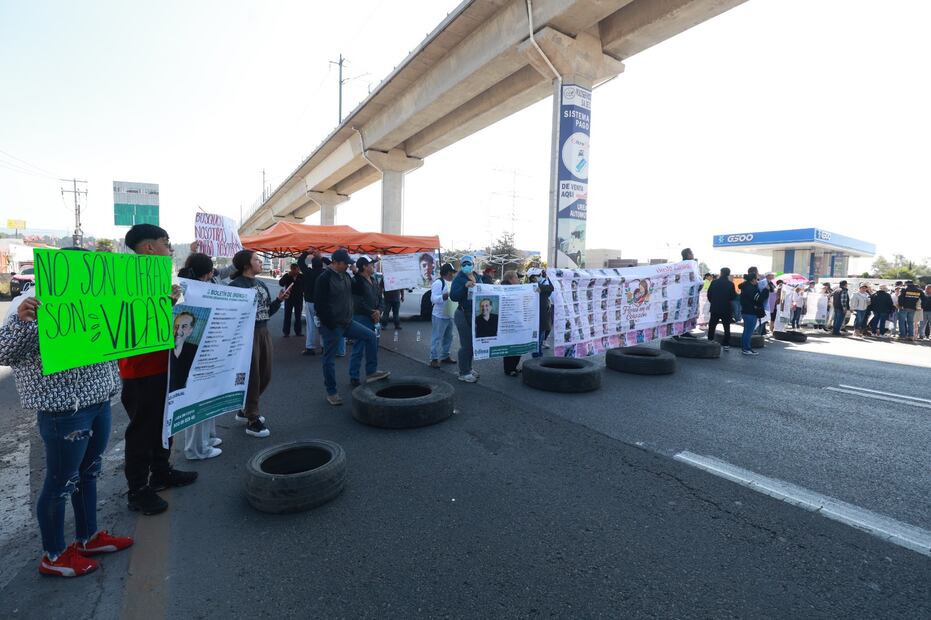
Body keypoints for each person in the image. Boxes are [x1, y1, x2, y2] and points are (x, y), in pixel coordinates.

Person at [0, 249, 134, 578]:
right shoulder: (30, 304)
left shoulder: (99, 298)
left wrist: (159, 306)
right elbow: (4, 352)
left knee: (89, 473)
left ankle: (88, 537)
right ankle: (54, 554)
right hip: (64, 413)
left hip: (99, 402)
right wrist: (21, 322)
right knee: (61, 482)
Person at [119, 224, 197, 516]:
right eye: (166, 242)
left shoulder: (158, 277)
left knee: (165, 423)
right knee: (142, 431)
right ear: (150, 247)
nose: (170, 248)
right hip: (139, 370)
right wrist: (166, 303)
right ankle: (138, 490)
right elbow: (133, 322)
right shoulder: (124, 278)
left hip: (164, 364)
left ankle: (161, 472)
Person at [315, 249, 389, 405]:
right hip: (333, 325)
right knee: (329, 359)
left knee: (370, 336)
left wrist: (357, 272)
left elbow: (359, 288)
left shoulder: (347, 276)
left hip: (348, 322)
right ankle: (332, 392)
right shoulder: (324, 278)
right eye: (346, 263)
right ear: (336, 263)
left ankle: (371, 372)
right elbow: (319, 306)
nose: (348, 266)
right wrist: (331, 324)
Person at [229, 249, 290, 438]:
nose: (260, 262)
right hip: (247, 335)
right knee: (253, 377)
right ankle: (252, 419)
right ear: (246, 264)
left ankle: (245, 409)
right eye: (256, 259)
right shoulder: (236, 286)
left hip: (264, 332)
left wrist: (279, 300)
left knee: (265, 374)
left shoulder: (261, 283)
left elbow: (267, 311)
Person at [176, 254, 223, 460]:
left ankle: (207, 438)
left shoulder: (185, 286)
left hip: (197, 350)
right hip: (194, 352)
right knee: (198, 397)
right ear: (208, 273)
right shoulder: (194, 290)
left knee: (206, 394)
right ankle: (196, 449)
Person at [350, 256, 387, 387]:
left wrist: (379, 311)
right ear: (364, 266)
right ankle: (354, 376)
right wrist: (372, 312)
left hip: (374, 318)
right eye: (371, 264)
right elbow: (357, 303)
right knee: (359, 347)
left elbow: (380, 298)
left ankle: (372, 372)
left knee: (373, 346)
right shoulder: (356, 281)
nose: (374, 266)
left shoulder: (373, 280)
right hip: (361, 318)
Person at [450, 254, 480, 382]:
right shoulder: (459, 279)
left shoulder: (478, 277)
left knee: (472, 344)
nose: (467, 266)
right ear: (461, 266)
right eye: (464, 264)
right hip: (462, 314)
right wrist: (464, 287)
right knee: (466, 344)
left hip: (475, 314)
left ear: (473, 265)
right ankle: (463, 372)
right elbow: (453, 296)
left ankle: (469, 367)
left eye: (469, 264)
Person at [297, 249, 325, 355]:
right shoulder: (325, 273)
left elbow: (300, 262)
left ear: (312, 265)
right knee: (323, 324)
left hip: (310, 301)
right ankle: (324, 346)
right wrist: (321, 257)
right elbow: (332, 264)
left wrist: (307, 252)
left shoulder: (308, 272)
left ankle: (310, 347)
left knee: (310, 324)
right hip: (322, 302)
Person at [429, 262, 457, 368]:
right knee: (437, 337)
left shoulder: (451, 282)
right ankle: (434, 358)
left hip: (449, 314)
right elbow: (433, 299)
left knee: (449, 337)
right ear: (447, 272)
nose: (453, 274)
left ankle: (445, 356)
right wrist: (443, 297)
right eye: (452, 272)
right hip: (439, 315)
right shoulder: (438, 283)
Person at [707, 267, 737, 349]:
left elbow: (709, 294)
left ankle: (710, 340)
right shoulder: (730, 284)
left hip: (715, 307)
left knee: (712, 325)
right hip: (726, 308)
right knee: (726, 326)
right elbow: (733, 296)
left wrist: (713, 302)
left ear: (721, 273)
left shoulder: (714, 282)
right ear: (728, 274)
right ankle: (726, 343)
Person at [499, 270, 521, 376]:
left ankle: (514, 367)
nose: (518, 279)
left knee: (517, 344)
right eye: (516, 277)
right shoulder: (504, 289)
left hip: (516, 320)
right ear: (510, 279)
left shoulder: (517, 288)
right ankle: (509, 369)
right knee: (510, 345)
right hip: (508, 322)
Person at [169, 312, 198, 392]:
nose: (178, 331)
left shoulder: (194, 350)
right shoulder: (163, 350)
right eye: (176, 326)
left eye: (184, 327)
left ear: (190, 331)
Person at [529, 270, 554, 357]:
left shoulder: (537, 286)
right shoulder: (537, 286)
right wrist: (549, 277)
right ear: (533, 278)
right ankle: (537, 356)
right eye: (538, 275)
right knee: (539, 338)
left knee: (540, 337)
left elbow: (550, 290)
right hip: (539, 316)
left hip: (540, 316)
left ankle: (538, 354)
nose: (541, 276)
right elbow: (551, 287)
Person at [739, 273, 763, 355]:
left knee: (746, 331)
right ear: (753, 279)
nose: (757, 281)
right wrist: (765, 291)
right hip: (750, 312)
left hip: (746, 311)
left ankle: (745, 348)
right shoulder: (751, 288)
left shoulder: (745, 286)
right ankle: (746, 349)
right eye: (756, 279)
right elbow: (759, 299)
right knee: (748, 331)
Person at [278, 263, 303, 338]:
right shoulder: (287, 275)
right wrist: (287, 276)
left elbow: (305, 286)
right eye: (293, 269)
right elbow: (281, 283)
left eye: (296, 269)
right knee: (287, 315)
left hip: (298, 298)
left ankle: (298, 331)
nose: (295, 271)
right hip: (289, 298)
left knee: (298, 316)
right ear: (291, 269)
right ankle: (286, 332)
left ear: (298, 269)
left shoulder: (301, 276)